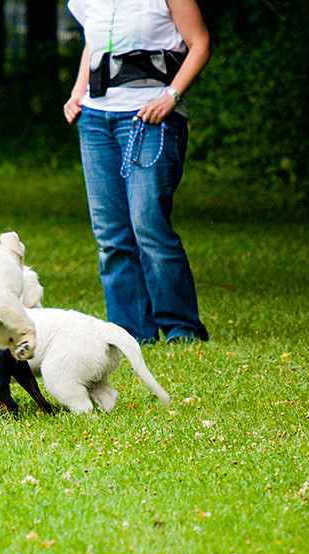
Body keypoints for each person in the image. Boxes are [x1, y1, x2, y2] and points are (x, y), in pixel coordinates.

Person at [64, 0, 210, 344]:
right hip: (97, 120)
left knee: (149, 225)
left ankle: (182, 330)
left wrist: (172, 96)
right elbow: (92, 43)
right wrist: (77, 93)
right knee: (110, 234)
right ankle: (131, 333)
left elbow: (200, 43)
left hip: (151, 117)